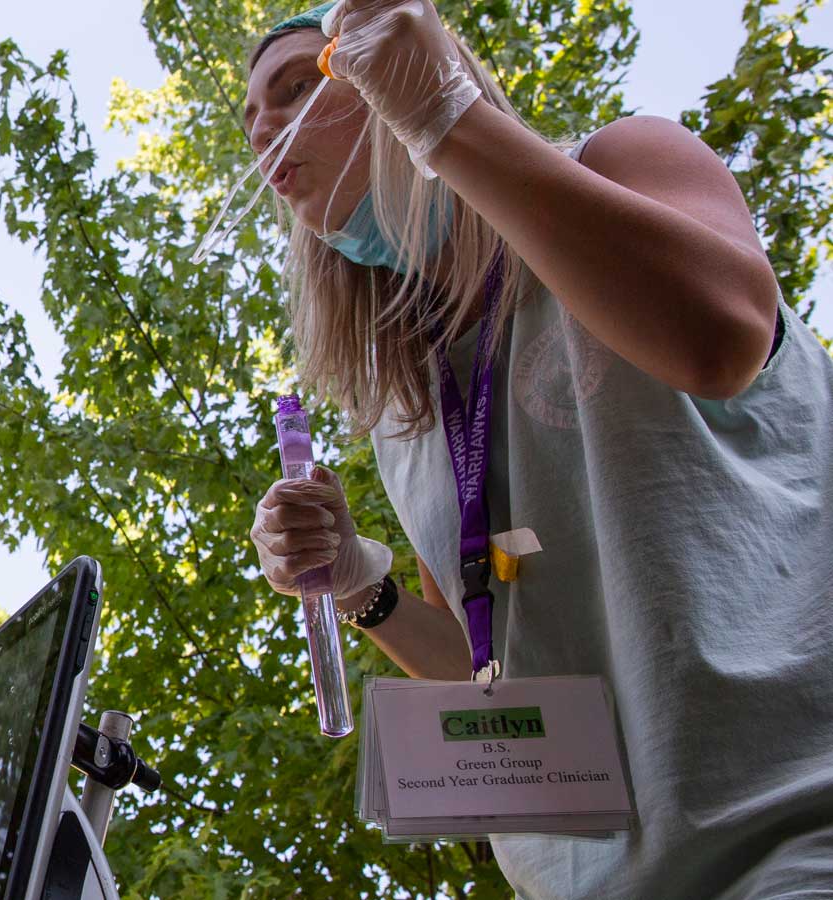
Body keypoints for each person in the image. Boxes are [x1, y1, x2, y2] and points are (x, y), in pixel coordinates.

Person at [241, 2, 833, 897]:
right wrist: (367, 586)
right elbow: (485, 669)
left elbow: (722, 335)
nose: (266, 137)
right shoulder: (411, 417)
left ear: (385, 65)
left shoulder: (627, 161)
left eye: (294, 88)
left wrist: (447, 122)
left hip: (793, 831)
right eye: (251, 124)